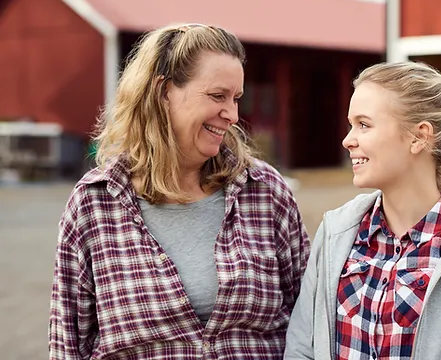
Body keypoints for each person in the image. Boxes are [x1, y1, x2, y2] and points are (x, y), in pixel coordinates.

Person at [49, 23, 311, 359]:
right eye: (218, 96)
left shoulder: (265, 192)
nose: (232, 115)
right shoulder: (94, 203)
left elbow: (309, 320)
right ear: (163, 91)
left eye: (236, 99)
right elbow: (68, 345)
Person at [284, 61, 441, 360]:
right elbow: (301, 349)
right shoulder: (335, 235)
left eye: (364, 124)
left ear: (419, 136)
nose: (348, 140)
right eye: (351, 124)